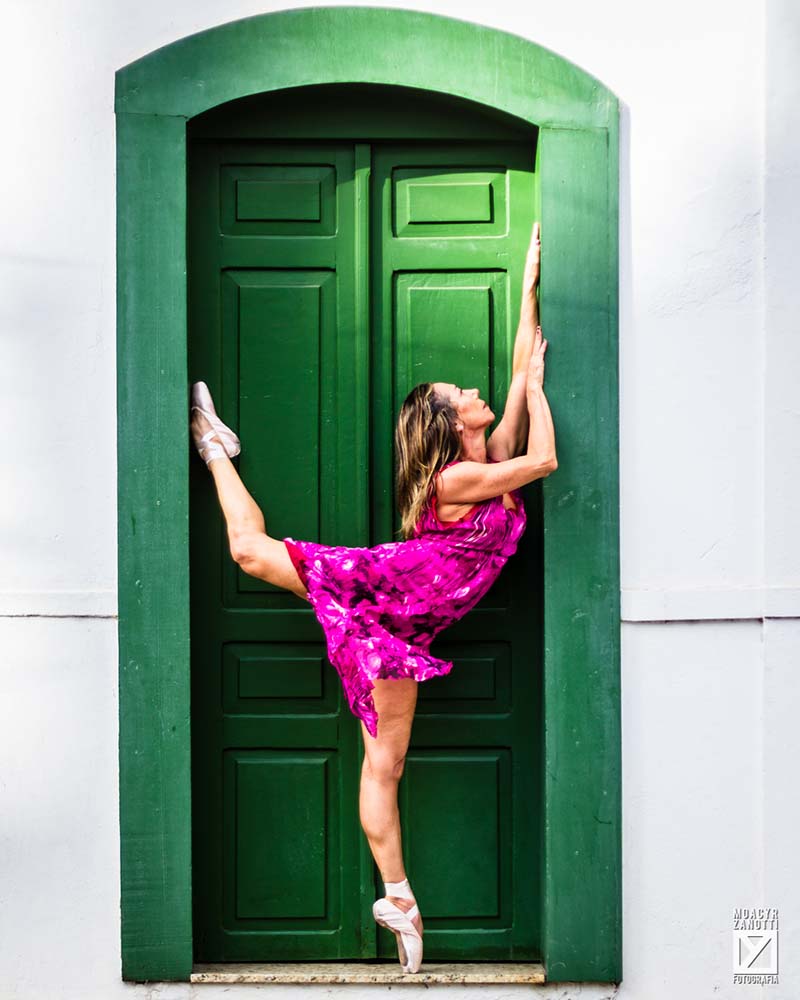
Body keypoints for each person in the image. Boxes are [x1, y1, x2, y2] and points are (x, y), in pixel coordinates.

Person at [189, 221, 556, 975]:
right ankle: (213, 448)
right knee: (249, 553)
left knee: (383, 768)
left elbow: (521, 370)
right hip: (378, 588)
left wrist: (528, 285)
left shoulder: (487, 461)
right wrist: (542, 393)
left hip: (399, 631)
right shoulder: (461, 479)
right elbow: (544, 458)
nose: (477, 392)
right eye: (462, 395)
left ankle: (398, 898)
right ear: (450, 424)